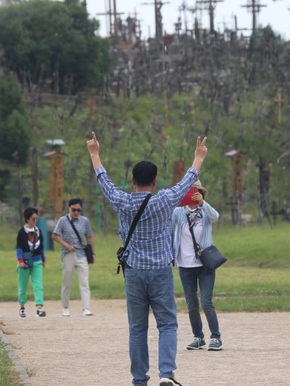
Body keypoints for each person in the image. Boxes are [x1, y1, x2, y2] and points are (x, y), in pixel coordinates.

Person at [87, 131, 208, 386]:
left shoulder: (122, 201)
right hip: (160, 271)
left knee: (137, 329)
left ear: (133, 181)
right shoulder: (164, 200)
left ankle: (139, 379)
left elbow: (104, 181)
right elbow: (187, 181)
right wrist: (198, 157)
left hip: (133, 273)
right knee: (167, 325)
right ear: (155, 181)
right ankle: (166, 374)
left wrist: (94, 154)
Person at [171, 180, 222, 351]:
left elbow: (216, 217)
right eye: (189, 191)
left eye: (195, 190)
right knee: (191, 304)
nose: (192, 193)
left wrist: (202, 203)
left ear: (200, 192)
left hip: (205, 264)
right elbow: (165, 220)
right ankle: (198, 337)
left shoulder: (205, 212)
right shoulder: (178, 212)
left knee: (206, 302)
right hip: (185, 266)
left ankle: (216, 337)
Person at [52, 198, 95, 317]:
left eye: (78, 210)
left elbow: (89, 236)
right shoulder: (62, 220)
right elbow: (55, 236)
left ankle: (86, 308)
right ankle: (65, 307)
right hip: (68, 254)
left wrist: (93, 253)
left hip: (82, 254)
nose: (76, 212)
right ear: (69, 208)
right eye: (74, 210)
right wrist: (67, 245)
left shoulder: (84, 221)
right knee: (67, 281)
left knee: (84, 282)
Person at [16, 207, 46, 318]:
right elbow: (19, 248)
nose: (35, 221)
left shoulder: (38, 231)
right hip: (24, 262)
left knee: (38, 285)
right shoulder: (22, 232)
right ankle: (22, 307)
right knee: (22, 285)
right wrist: (20, 261)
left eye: (36, 219)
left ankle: (39, 307)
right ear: (27, 219)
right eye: (33, 219)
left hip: (37, 261)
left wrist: (43, 259)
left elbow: (41, 246)